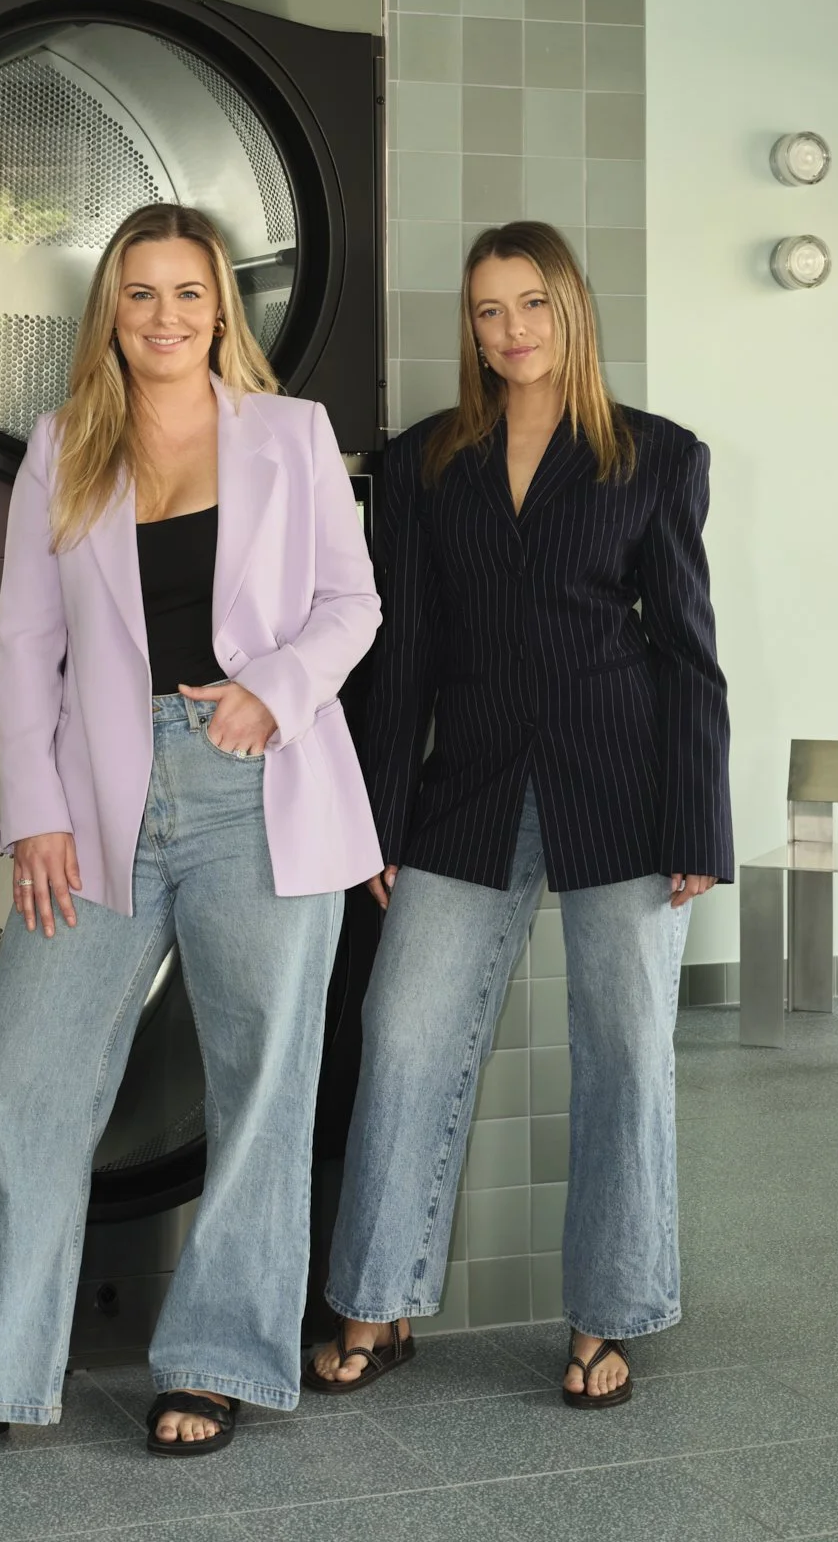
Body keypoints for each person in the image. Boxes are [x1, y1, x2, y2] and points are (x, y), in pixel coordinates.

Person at [0, 201, 382, 1467]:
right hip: (99, 802)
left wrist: (272, 691)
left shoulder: (292, 435)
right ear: (111, 313)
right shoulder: (67, 440)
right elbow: (26, 645)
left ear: (221, 310)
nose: (166, 317)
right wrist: (35, 814)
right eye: (141, 294)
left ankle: (218, 1361)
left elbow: (353, 606)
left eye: (190, 293)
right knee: (20, 1084)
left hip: (259, 786)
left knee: (262, 1092)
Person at [308, 219, 731, 1410]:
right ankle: (377, 1302)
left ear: (573, 310)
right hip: (471, 789)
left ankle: (613, 1314)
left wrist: (700, 820)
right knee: (401, 1032)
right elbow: (405, 658)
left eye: (532, 305)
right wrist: (380, 817)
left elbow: (690, 654)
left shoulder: (657, 456)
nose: (512, 332)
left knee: (626, 1054)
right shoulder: (422, 463)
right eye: (489, 312)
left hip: (629, 790)